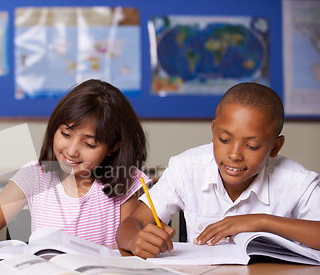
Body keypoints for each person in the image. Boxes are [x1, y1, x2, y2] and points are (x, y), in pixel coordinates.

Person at [116, 82, 320, 258]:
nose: (234, 154)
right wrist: (136, 240)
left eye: (252, 146)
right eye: (224, 140)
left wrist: (261, 222)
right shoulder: (187, 168)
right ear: (213, 131)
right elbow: (130, 224)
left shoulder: (297, 181)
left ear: (275, 147)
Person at [0, 79, 150, 256]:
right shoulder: (33, 176)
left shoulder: (127, 182)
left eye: (89, 144)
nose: (72, 151)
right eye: (66, 134)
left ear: (113, 147)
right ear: (54, 128)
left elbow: (129, 252)